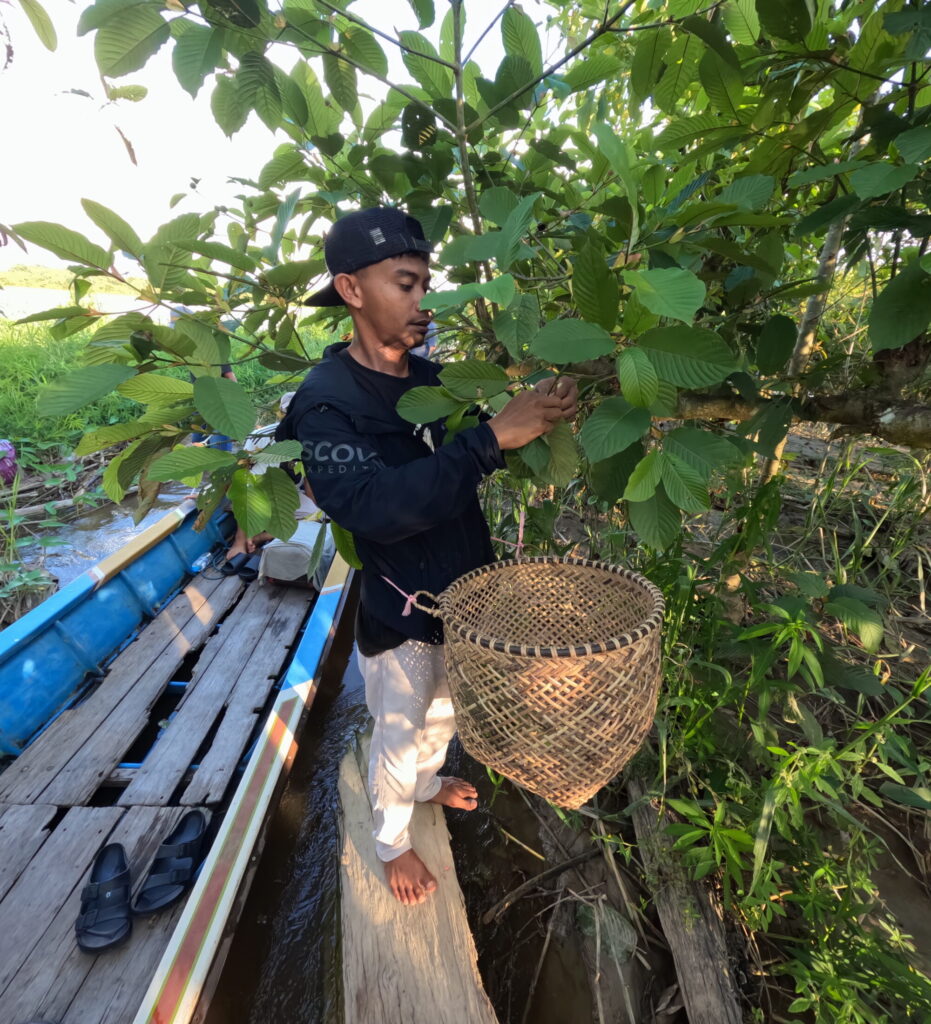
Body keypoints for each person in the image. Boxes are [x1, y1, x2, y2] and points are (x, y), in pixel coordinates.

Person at [276, 207, 577, 906]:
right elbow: (373, 506)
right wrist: (488, 441)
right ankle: (392, 841)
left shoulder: (436, 381)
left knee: (443, 718)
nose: (423, 303)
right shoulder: (325, 405)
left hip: (465, 598)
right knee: (398, 730)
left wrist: (532, 413)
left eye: (426, 286)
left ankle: (426, 784)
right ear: (351, 291)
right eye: (405, 285)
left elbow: (468, 462)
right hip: (401, 613)